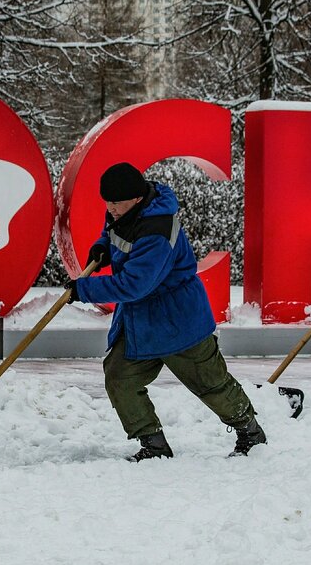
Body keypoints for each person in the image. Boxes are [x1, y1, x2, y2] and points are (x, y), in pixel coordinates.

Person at [65, 162, 267, 461]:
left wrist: (84, 289)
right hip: (141, 323)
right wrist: (101, 245)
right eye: (107, 204)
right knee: (120, 376)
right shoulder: (127, 210)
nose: (111, 210)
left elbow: (135, 284)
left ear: (135, 198)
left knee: (210, 384)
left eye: (116, 204)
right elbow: (114, 230)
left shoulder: (158, 230)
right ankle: (153, 444)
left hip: (178, 320)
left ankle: (250, 431)